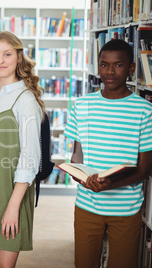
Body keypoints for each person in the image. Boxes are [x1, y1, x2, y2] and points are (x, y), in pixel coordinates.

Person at [64, 39, 152, 268]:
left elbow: (144, 169)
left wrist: (109, 185)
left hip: (126, 209)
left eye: (118, 65)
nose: (110, 72)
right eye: (104, 65)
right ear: (98, 66)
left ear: (131, 69)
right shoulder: (81, 105)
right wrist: (81, 177)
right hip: (86, 205)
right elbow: (77, 157)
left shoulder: (145, 110)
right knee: (83, 263)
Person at [0, 31, 44, 267]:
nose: (0, 60)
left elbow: (30, 158)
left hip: (11, 191)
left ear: (18, 58)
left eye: (7, 54)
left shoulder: (25, 101)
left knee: (4, 262)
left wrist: (13, 206)